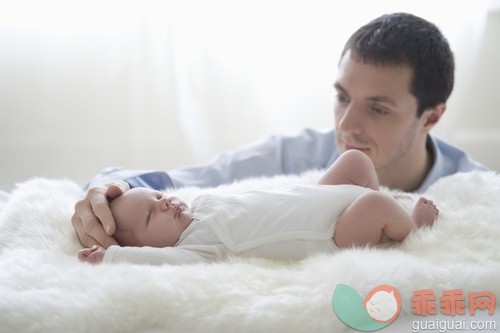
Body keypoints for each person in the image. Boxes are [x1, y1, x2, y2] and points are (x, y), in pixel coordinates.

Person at [72, 12, 486, 249]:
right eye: (342, 97)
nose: (345, 126)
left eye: (378, 108)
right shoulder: (293, 158)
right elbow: (171, 184)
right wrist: (108, 194)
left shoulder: (477, 193)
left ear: (431, 116)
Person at [77, 150, 439, 265]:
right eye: (151, 214)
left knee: (356, 161)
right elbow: (157, 263)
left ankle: (377, 222)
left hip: (318, 198)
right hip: (333, 233)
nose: (165, 201)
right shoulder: (197, 246)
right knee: (375, 202)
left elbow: (169, 185)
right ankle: (407, 226)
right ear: (144, 245)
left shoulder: (202, 202)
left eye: (157, 198)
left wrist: (126, 186)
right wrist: (111, 257)